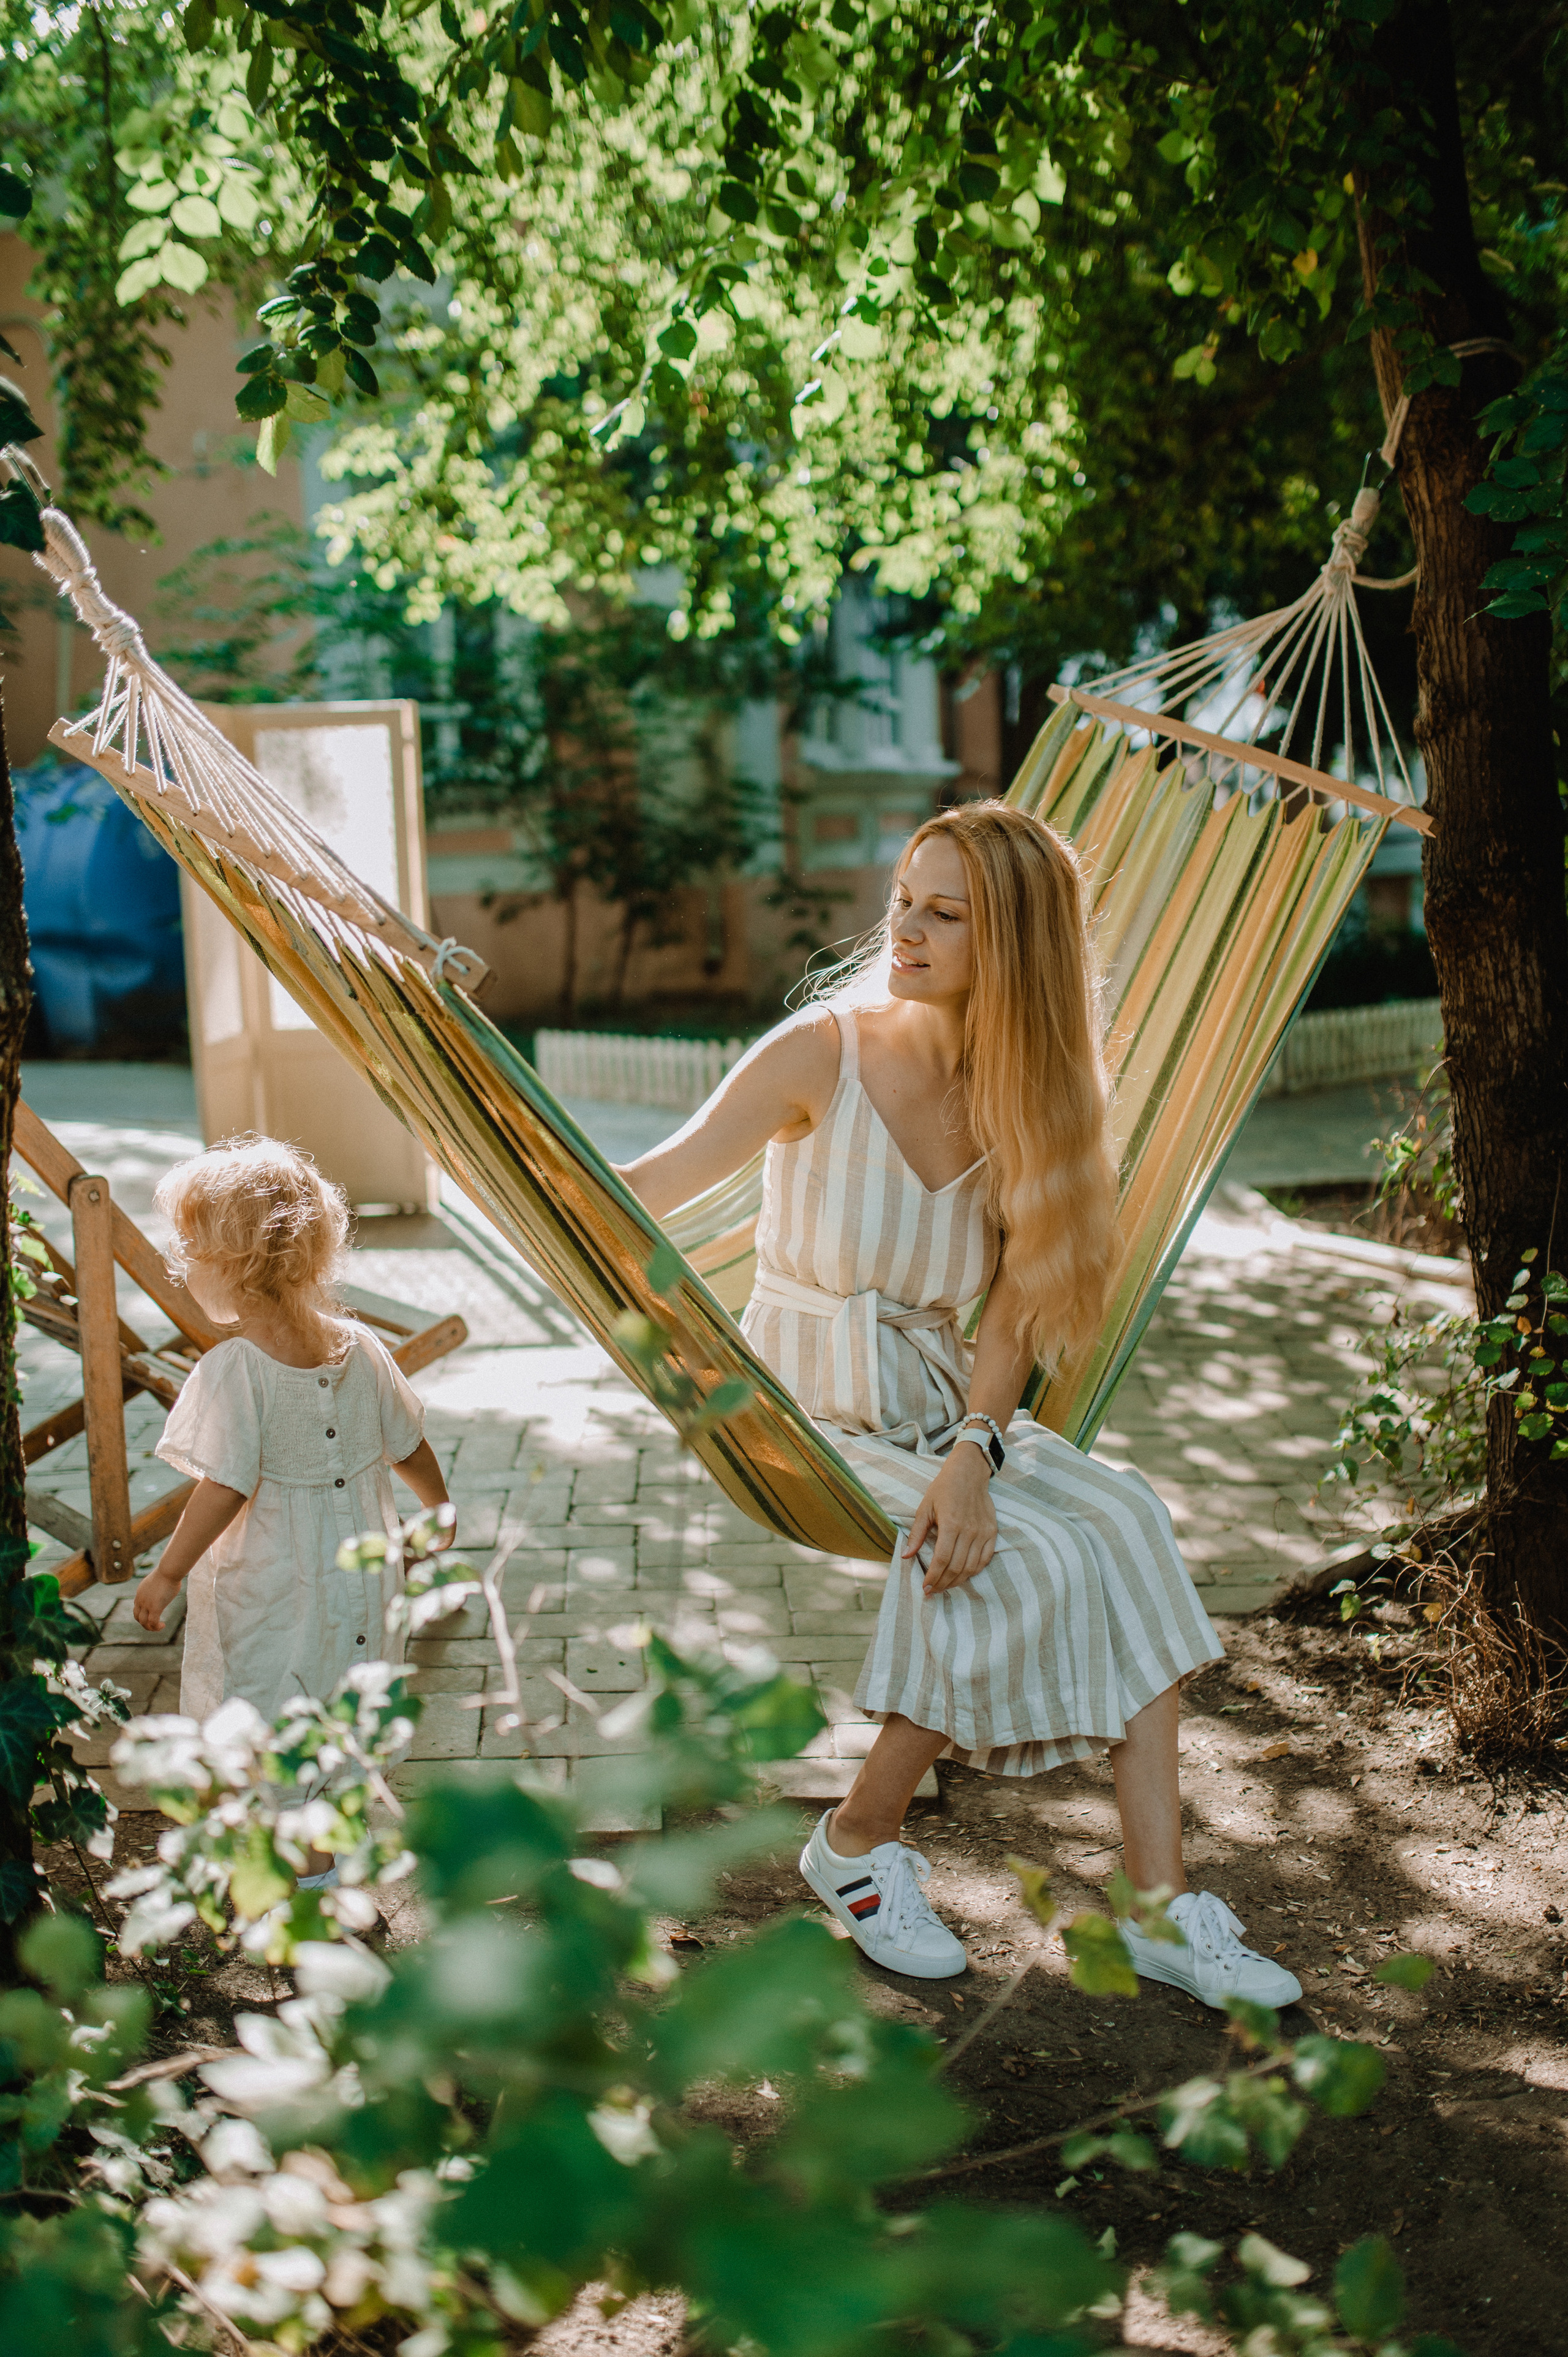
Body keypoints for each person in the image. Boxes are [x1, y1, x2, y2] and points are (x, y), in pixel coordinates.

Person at [620, 802, 1300, 2007]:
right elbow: (643, 1190)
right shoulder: (815, 1054)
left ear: (1016, 946)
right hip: (806, 1412)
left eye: (946, 912)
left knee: (1125, 1523)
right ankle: (854, 1844)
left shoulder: (1024, 1094)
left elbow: (1008, 1313)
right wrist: (494, 1147)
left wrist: (975, 1451)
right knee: (1007, 1563)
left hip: (942, 1408)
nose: (907, 929)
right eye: (902, 899)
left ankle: (1154, 1907)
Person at [132, 1135, 451, 1887]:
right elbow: (409, 1446)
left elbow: (224, 1486)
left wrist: (167, 1572)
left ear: (232, 1265)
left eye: (189, 1249)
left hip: (278, 1583)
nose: (181, 1264)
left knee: (274, 1705)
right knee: (342, 1702)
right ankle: (330, 1860)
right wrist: (438, 1508)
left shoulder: (234, 1369)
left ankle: (300, 1883)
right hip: (361, 1578)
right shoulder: (364, 1348)